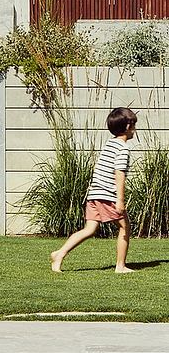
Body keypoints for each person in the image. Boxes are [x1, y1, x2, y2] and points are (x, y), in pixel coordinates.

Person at [50, 106, 137, 274]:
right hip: (107, 195)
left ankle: (59, 254)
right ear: (127, 127)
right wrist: (119, 199)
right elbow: (119, 174)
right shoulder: (123, 148)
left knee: (89, 229)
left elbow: (97, 167)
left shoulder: (109, 144)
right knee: (125, 227)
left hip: (95, 193)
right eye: (134, 125)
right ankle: (120, 266)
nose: (135, 129)